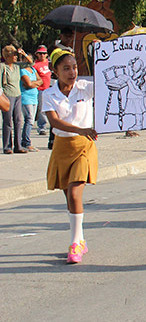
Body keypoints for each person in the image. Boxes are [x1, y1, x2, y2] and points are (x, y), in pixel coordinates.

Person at [42, 48, 98, 264]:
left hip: (84, 146)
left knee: (75, 194)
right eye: (66, 68)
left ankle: (75, 244)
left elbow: (109, 88)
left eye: (74, 67)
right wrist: (79, 129)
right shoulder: (48, 94)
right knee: (69, 197)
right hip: (62, 147)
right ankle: (80, 238)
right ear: (55, 71)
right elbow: (54, 122)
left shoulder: (86, 88)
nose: (72, 72)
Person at [1, 45, 26, 154]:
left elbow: (30, 64)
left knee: (18, 120)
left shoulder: (16, 66)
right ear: (7, 56)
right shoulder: (2, 66)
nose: (15, 57)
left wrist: (23, 54)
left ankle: (18, 145)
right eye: (13, 55)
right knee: (8, 121)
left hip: (18, 95)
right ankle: (7, 146)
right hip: (7, 95)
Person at [19, 55, 43, 152]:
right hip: (26, 98)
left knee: (32, 120)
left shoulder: (33, 69)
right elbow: (27, 84)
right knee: (29, 119)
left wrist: (33, 83)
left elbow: (40, 81)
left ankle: (26, 141)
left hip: (34, 97)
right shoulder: (22, 71)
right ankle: (26, 142)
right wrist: (34, 83)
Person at [33, 45, 52, 134]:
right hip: (40, 89)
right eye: (40, 53)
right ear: (37, 54)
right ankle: (42, 126)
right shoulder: (35, 65)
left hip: (50, 87)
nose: (42, 55)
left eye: (44, 53)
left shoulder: (49, 63)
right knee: (41, 108)